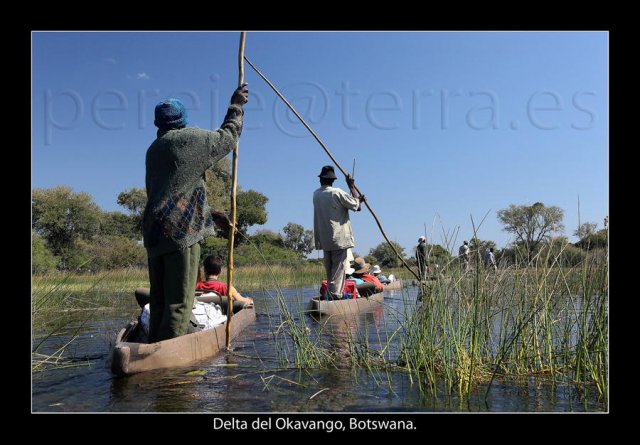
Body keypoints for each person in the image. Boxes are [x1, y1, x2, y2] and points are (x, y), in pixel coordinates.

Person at [142, 85, 249, 342]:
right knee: (179, 303)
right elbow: (228, 137)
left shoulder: (154, 150)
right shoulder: (187, 139)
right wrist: (236, 106)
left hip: (154, 232)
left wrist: (211, 214)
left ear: (158, 123)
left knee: (159, 301)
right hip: (181, 231)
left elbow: (171, 194)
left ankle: (153, 343)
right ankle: (170, 365)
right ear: (182, 121)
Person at [313, 165, 365, 300]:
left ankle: (330, 295)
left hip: (324, 239)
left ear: (321, 180)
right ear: (333, 180)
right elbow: (357, 207)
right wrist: (352, 186)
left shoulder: (316, 194)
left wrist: (357, 199)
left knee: (330, 270)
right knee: (338, 270)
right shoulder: (336, 192)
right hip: (339, 238)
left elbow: (353, 203)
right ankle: (334, 296)